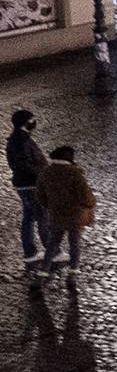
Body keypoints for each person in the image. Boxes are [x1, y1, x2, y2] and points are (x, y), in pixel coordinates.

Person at [35, 146, 94, 279]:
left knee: (53, 242)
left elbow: (40, 195)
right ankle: (74, 267)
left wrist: (49, 206)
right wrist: (90, 204)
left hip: (56, 213)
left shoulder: (46, 172)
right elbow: (85, 194)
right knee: (74, 241)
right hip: (74, 213)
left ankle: (45, 268)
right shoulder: (75, 173)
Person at [10, 109, 46, 267]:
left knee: (29, 218)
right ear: (25, 122)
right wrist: (42, 173)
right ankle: (52, 250)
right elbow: (24, 164)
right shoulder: (21, 141)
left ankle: (30, 252)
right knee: (42, 217)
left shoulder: (19, 138)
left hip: (24, 183)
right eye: (32, 119)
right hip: (30, 184)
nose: (34, 122)